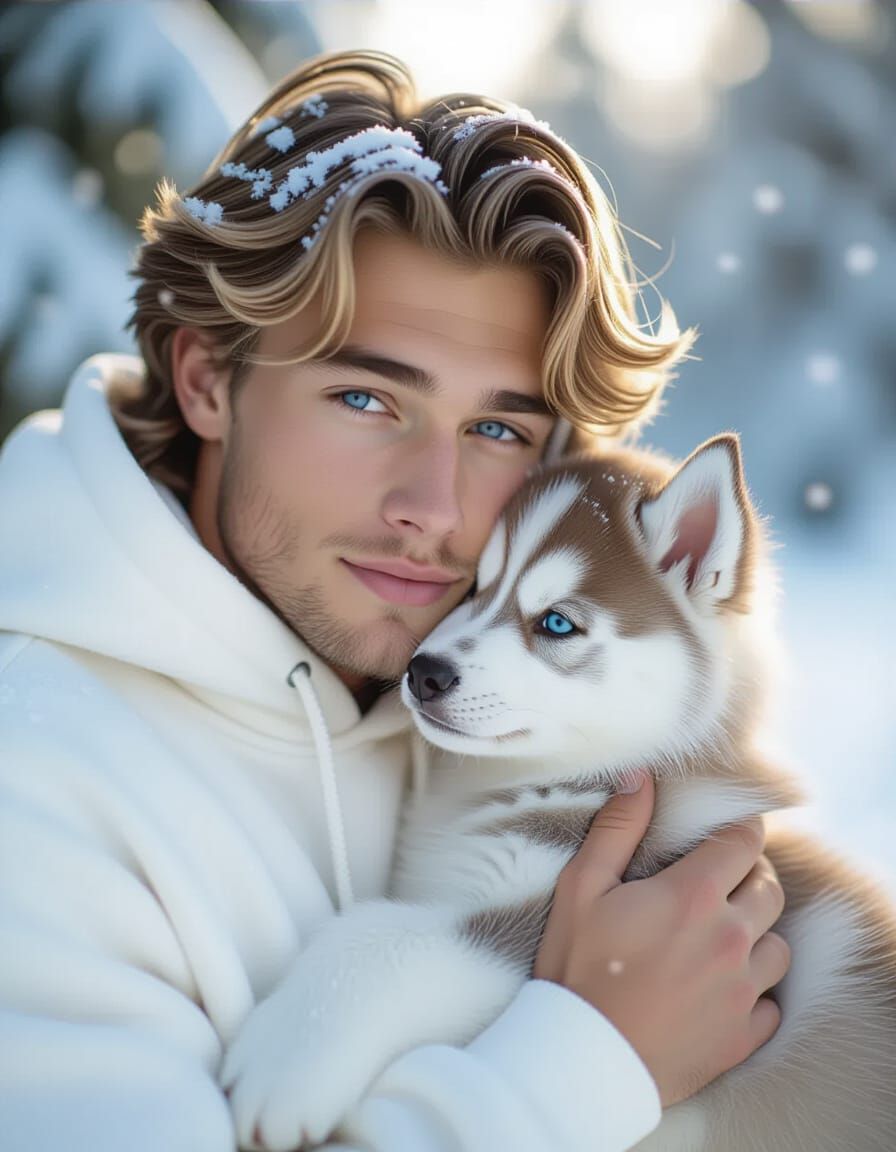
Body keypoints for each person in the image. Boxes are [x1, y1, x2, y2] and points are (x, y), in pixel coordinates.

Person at [0, 49, 790, 1152]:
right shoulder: (34, 790)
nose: (435, 508)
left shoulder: (479, 699)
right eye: (368, 399)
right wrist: (583, 1064)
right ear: (207, 380)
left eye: (496, 428)